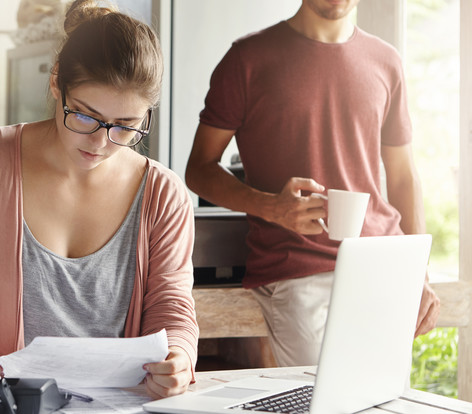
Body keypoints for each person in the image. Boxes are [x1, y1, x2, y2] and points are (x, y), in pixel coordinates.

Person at [0, 0, 198, 399]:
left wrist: (179, 356)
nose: (101, 143)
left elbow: (172, 305)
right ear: (56, 82)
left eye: (126, 126)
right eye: (85, 116)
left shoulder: (163, 194)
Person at [185, 0, 440, 367]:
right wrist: (270, 206)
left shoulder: (387, 60)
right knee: (323, 402)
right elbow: (199, 169)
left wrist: (420, 271)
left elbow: (402, 175)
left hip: (383, 265)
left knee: (383, 402)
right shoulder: (246, 59)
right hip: (297, 271)